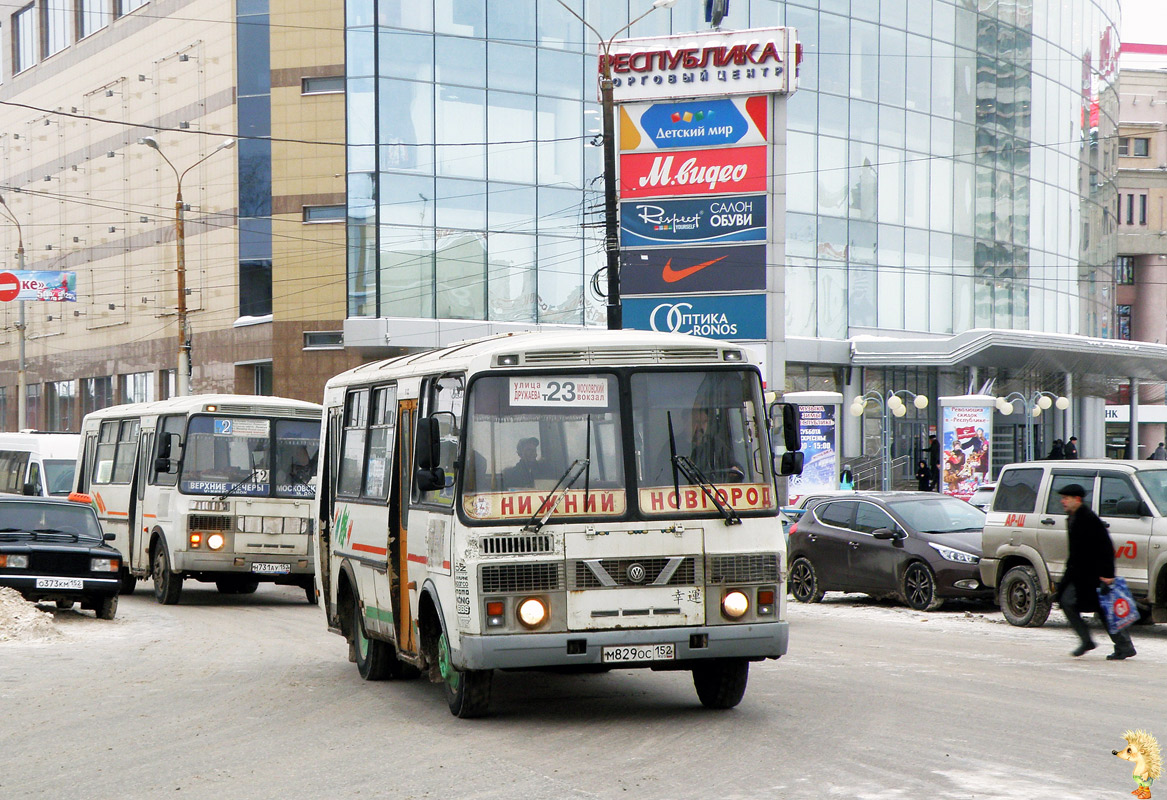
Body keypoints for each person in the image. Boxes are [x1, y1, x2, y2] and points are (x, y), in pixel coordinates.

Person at [1055, 483, 1136, 660]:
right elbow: (1075, 552)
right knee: (1079, 604)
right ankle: (1094, 641)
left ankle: (1121, 645)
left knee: (1103, 608)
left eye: (1066, 498)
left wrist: (1108, 575)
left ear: (1077, 499)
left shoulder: (1088, 519)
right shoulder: (1072, 518)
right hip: (1080, 573)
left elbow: (1106, 547)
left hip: (1093, 574)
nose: (1063, 502)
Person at [689, 406, 744, 481]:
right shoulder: (675, 446)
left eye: (704, 421)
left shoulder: (715, 444)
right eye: (697, 422)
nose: (701, 426)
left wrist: (736, 469)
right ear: (687, 422)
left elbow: (733, 464)